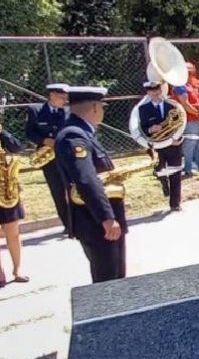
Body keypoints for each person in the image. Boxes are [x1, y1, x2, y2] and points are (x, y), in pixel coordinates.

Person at [55, 86, 127, 283]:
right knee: (108, 281)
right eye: (102, 107)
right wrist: (106, 217)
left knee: (116, 277)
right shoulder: (74, 135)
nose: (102, 112)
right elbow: (86, 179)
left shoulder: (82, 132)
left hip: (99, 218)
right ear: (95, 107)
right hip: (95, 221)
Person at [23, 83, 71, 228]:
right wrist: (44, 140)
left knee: (74, 189)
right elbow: (29, 132)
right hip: (49, 158)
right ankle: (67, 225)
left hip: (68, 156)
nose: (65, 100)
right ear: (52, 95)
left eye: (66, 97)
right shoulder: (36, 110)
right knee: (58, 191)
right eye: (62, 97)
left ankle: (80, 222)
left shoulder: (69, 111)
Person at [137, 82, 183, 212]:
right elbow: (142, 129)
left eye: (157, 89)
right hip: (156, 145)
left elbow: (180, 124)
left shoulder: (173, 106)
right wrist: (151, 129)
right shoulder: (143, 109)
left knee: (175, 172)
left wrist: (176, 139)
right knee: (159, 170)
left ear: (161, 90)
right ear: (148, 92)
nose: (155, 92)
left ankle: (175, 203)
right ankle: (164, 183)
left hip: (173, 144)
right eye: (151, 90)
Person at [0, 126, 28, 285]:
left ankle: (17, 270)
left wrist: (2, 132)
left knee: (13, 232)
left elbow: (17, 147)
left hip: (6, 190)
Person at [174, 62, 199, 176]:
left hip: (195, 117)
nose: (190, 72)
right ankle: (188, 168)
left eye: (191, 70)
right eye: (187, 70)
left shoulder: (191, 84)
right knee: (190, 143)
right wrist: (198, 114)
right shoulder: (179, 85)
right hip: (188, 119)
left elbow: (196, 100)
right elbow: (185, 104)